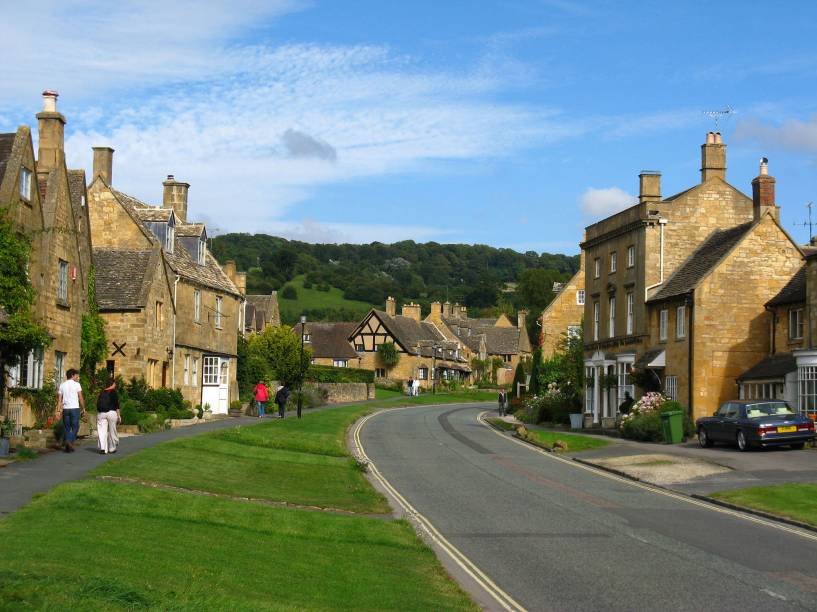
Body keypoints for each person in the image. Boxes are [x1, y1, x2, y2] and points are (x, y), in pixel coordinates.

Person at [56, 368, 85, 453]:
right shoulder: (77, 385)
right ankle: (69, 441)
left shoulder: (62, 385)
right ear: (72, 375)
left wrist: (58, 411)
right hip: (74, 408)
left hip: (66, 409)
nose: (77, 377)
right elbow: (80, 397)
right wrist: (83, 408)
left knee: (67, 428)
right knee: (75, 427)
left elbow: (59, 400)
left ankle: (68, 445)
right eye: (76, 375)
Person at [96, 378, 121, 454]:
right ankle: (112, 448)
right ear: (112, 384)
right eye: (114, 384)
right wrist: (119, 416)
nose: (115, 385)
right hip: (111, 413)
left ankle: (103, 448)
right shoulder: (113, 392)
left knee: (102, 431)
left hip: (101, 413)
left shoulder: (102, 392)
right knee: (112, 431)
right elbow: (117, 405)